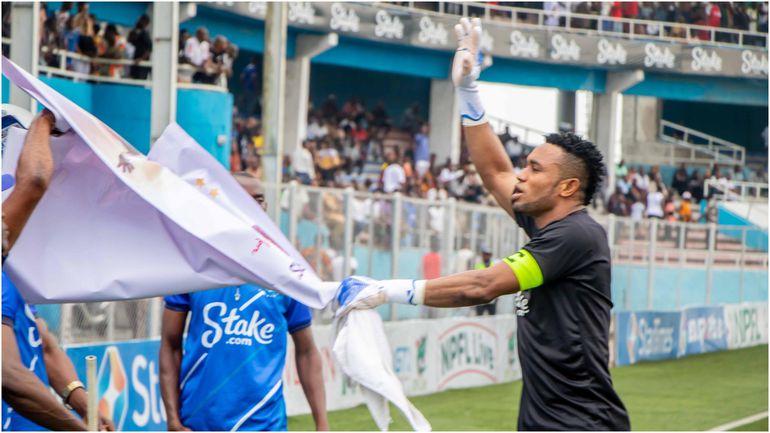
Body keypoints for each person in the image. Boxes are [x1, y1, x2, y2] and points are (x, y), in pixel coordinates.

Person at [335, 18, 630, 431]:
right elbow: (494, 172)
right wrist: (468, 92)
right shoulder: (550, 224)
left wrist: (385, 290)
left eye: (534, 168)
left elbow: (483, 286)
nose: (521, 175)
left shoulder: (577, 235)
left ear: (567, 186)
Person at [159, 172, 328, 432]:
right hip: (199, 424)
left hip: (265, 425)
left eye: (258, 200)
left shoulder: (285, 268)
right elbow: (170, 344)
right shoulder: (194, 262)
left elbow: (306, 351)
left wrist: (322, 425)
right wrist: (173, 420)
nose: (252, 207)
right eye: (242, 198)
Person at [2, 108, 113, 431]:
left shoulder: (15, 269)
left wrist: (80, 400)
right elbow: (7, 374)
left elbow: (42, 343)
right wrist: (46, 119)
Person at [473, 243, 497, 316]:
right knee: (479, 317)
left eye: (488, 254)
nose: (486, 256)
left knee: (492, 317)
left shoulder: (495, 266)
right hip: (480, 296)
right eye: (484, 254)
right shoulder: (477, 265)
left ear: (490, 255)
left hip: (492, 296)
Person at [127, 14, 152, 79]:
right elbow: (130, 40)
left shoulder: (145, 34)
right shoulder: (137, 32)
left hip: (142, 64)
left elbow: (149, 49)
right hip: (135, 61)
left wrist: (141, 58)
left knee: (140, 80)